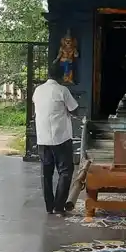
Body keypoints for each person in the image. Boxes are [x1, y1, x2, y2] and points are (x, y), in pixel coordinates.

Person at [33, 63, 78, 215]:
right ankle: (59, 206)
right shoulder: (62, 90)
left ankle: (48, 206)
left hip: (43, 138)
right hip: (61, 138)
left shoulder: (38, 90)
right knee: (65, 171)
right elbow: (74, 109)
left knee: (46, 173)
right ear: (61, 76)